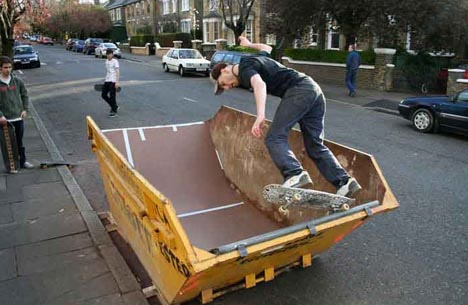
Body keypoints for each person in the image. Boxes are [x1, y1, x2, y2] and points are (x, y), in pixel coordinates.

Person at [210, 37, 361, 197]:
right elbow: (266, 47)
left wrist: (260, 115)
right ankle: (345, 182)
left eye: (223, 84)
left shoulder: (244, 68)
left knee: (274, 137)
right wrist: (249, 45)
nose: (227, 88)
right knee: (314, 146)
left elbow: (259, 85)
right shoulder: (256, 59)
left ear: (224, 70)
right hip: (314, 91)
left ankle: (294, 173)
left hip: (299, 91)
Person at [0, 56, 34, 173]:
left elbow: (25, 95)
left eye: (9, 67)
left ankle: (23, 161)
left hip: (18, 117)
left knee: (19, 141)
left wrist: (25, 109)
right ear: (0, 68)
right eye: (5, 67)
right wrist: (0, 116)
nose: (8, 70)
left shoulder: (17, 81)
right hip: (5, 119)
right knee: (8, 143)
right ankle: (11, 166)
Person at [101, 49, 120, 117]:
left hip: (113, 81)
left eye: (110, 54)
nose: (108, 56)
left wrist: (117, 82)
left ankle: (114, 110)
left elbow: (117, 71)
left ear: (112, 54)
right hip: (107, 80)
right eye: (107, 54)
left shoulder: (115, 61)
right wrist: (105, 80)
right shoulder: (106, 61)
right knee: (103, 95)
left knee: (112, 96)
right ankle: (114, 106)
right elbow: (108, 71)